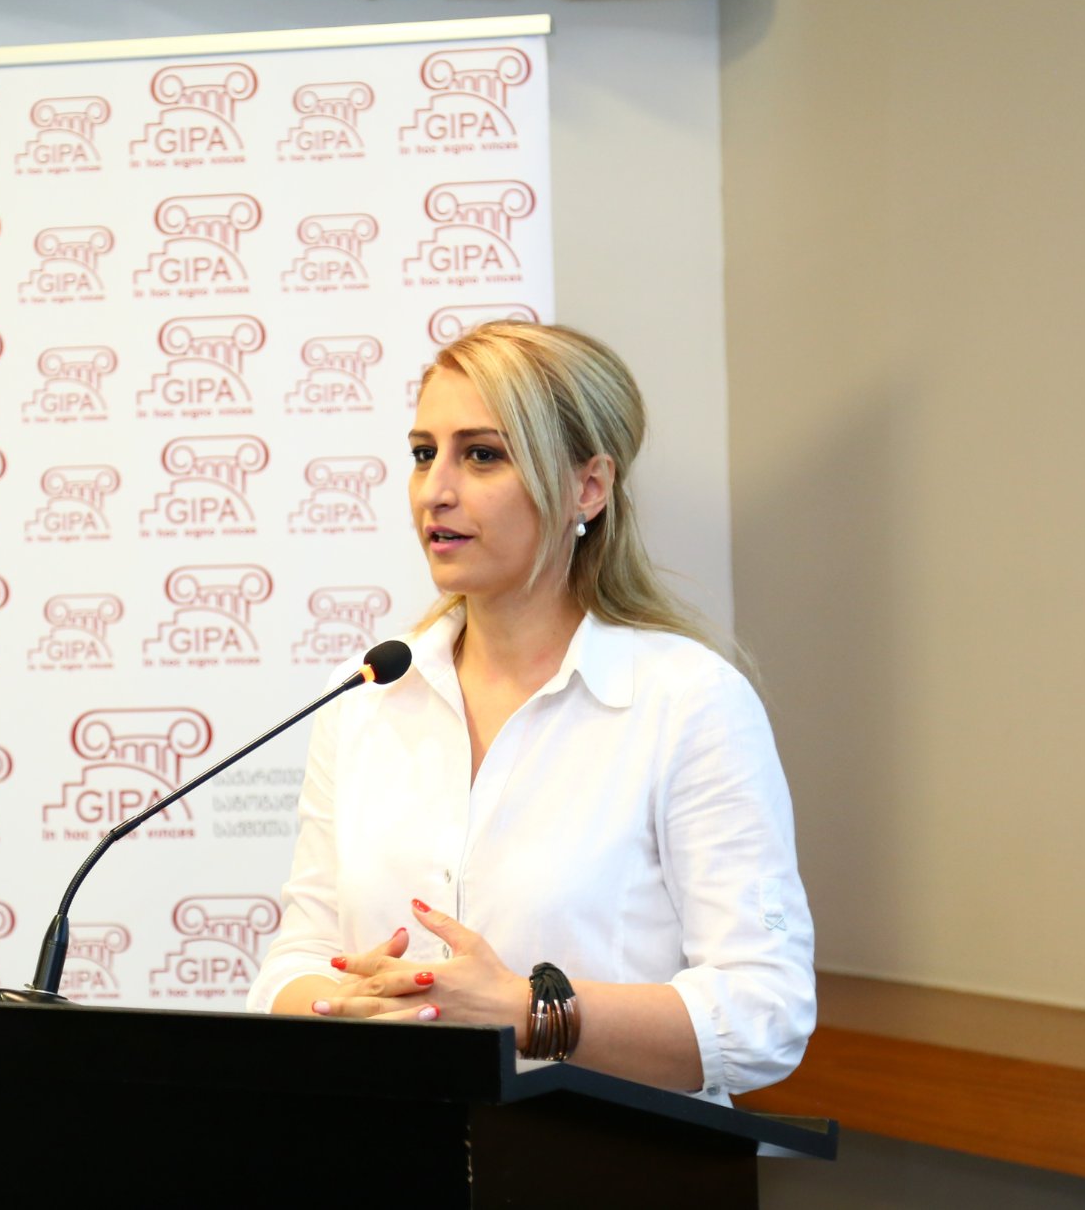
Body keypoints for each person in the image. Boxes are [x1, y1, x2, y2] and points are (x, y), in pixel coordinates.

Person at [247, 321, 814, 1101]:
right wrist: (351, 1007)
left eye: (482, 454)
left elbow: (765, 1014)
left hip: (607, 1157)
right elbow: (298, 958)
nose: (435, 489)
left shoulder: (689, 700)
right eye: (423, 453)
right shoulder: (367, 692)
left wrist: (523, 1011)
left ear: (589, 486)